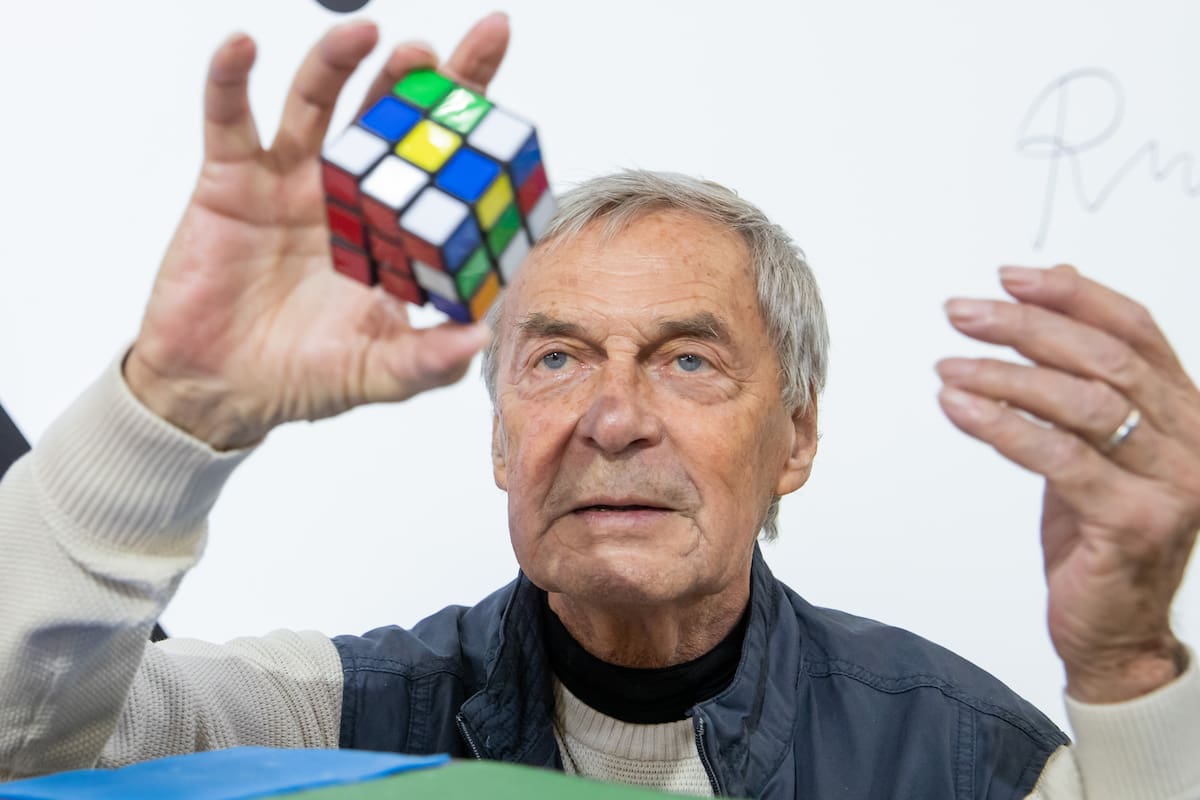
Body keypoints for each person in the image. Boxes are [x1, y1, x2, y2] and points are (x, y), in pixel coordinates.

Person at [1, 15, 1198, 799]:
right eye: (559, 358)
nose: (613, 416)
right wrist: (175, 403)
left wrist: (1129, 664)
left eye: (688, 361)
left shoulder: (965, 761)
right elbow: (25, 742)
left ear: (799, 437)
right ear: (498, 437)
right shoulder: (334, 718)